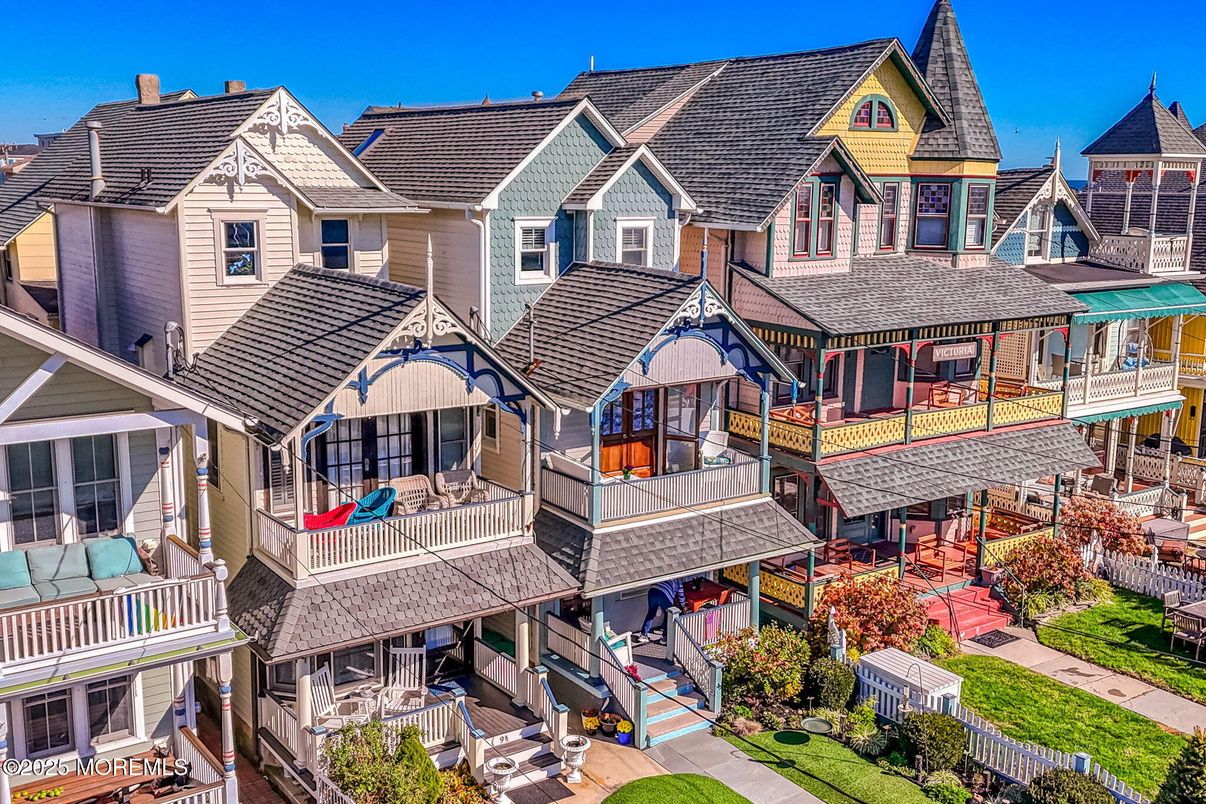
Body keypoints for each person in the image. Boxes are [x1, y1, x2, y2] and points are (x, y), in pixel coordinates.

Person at [635, 577, 687, 643]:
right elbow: (681, 597)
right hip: (664, 594)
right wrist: (683, 607)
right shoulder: (678, 582)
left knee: (651, 613)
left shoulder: (666, 574)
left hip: (652, 591)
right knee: (668, 614)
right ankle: (664, 638)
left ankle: (643, 635)